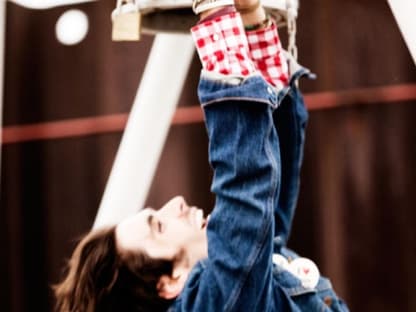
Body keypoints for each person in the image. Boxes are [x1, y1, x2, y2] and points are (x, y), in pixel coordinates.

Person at [54, 0, 349, 311]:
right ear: (169, 282)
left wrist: (249, 18)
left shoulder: (245, 285)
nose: (176, 204)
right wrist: (214, 11)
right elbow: (245, 187)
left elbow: (270, 181)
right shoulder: (213, 304)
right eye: (160, 226)